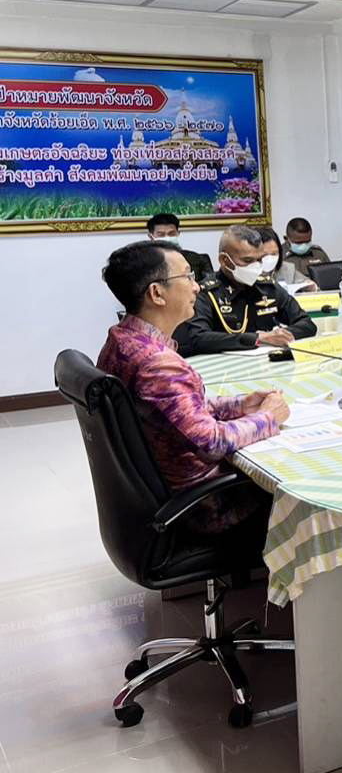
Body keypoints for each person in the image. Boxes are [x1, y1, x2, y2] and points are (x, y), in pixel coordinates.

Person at [98, 240, 287, 533]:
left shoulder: (122, 339)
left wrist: (241, 404)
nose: (197, 287)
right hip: (208, 506)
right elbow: (211, 443)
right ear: (157, 293)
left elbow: (176, 410)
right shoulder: (157, 363)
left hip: (163, 492)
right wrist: (268, 417)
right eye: (187, 276)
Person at [174, 225, 317, 356]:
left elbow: (307, 324)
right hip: (226, 368)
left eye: (259, 260)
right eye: (248, 261)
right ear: (225, 260)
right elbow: (199, 338)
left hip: (269, 362)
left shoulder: (267, 287)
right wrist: (258, 338)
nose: (256, 266)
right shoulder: (206, 293)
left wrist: (279, 336)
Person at [145, 212, 211, 280]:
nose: (167, 237)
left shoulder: (198, 259)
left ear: (178, 233)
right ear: (151, 237)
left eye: (171, 233)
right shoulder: (143, 262)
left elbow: (211, 283)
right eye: (161, 235)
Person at [254, 227, 317, 292]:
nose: (270, 258)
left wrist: (310, 287)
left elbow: (309, 284)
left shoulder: (287, 269)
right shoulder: (248, 272)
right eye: (265, 255)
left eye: (274, 254)